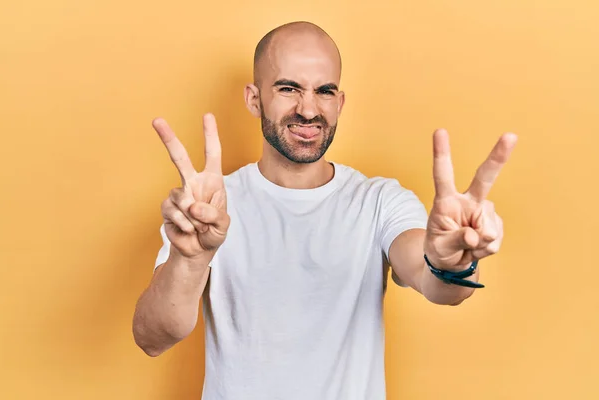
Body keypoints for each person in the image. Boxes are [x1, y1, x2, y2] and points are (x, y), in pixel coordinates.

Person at [132, 21, 517, 400]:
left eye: (325, 91)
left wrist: (452, 263)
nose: (309, 109)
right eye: (288, 88)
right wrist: (190, 259)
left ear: (340, 102)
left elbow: (435, 283)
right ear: (254, 99)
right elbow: (152, 338)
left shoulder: (379, 201)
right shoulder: (207, 209)